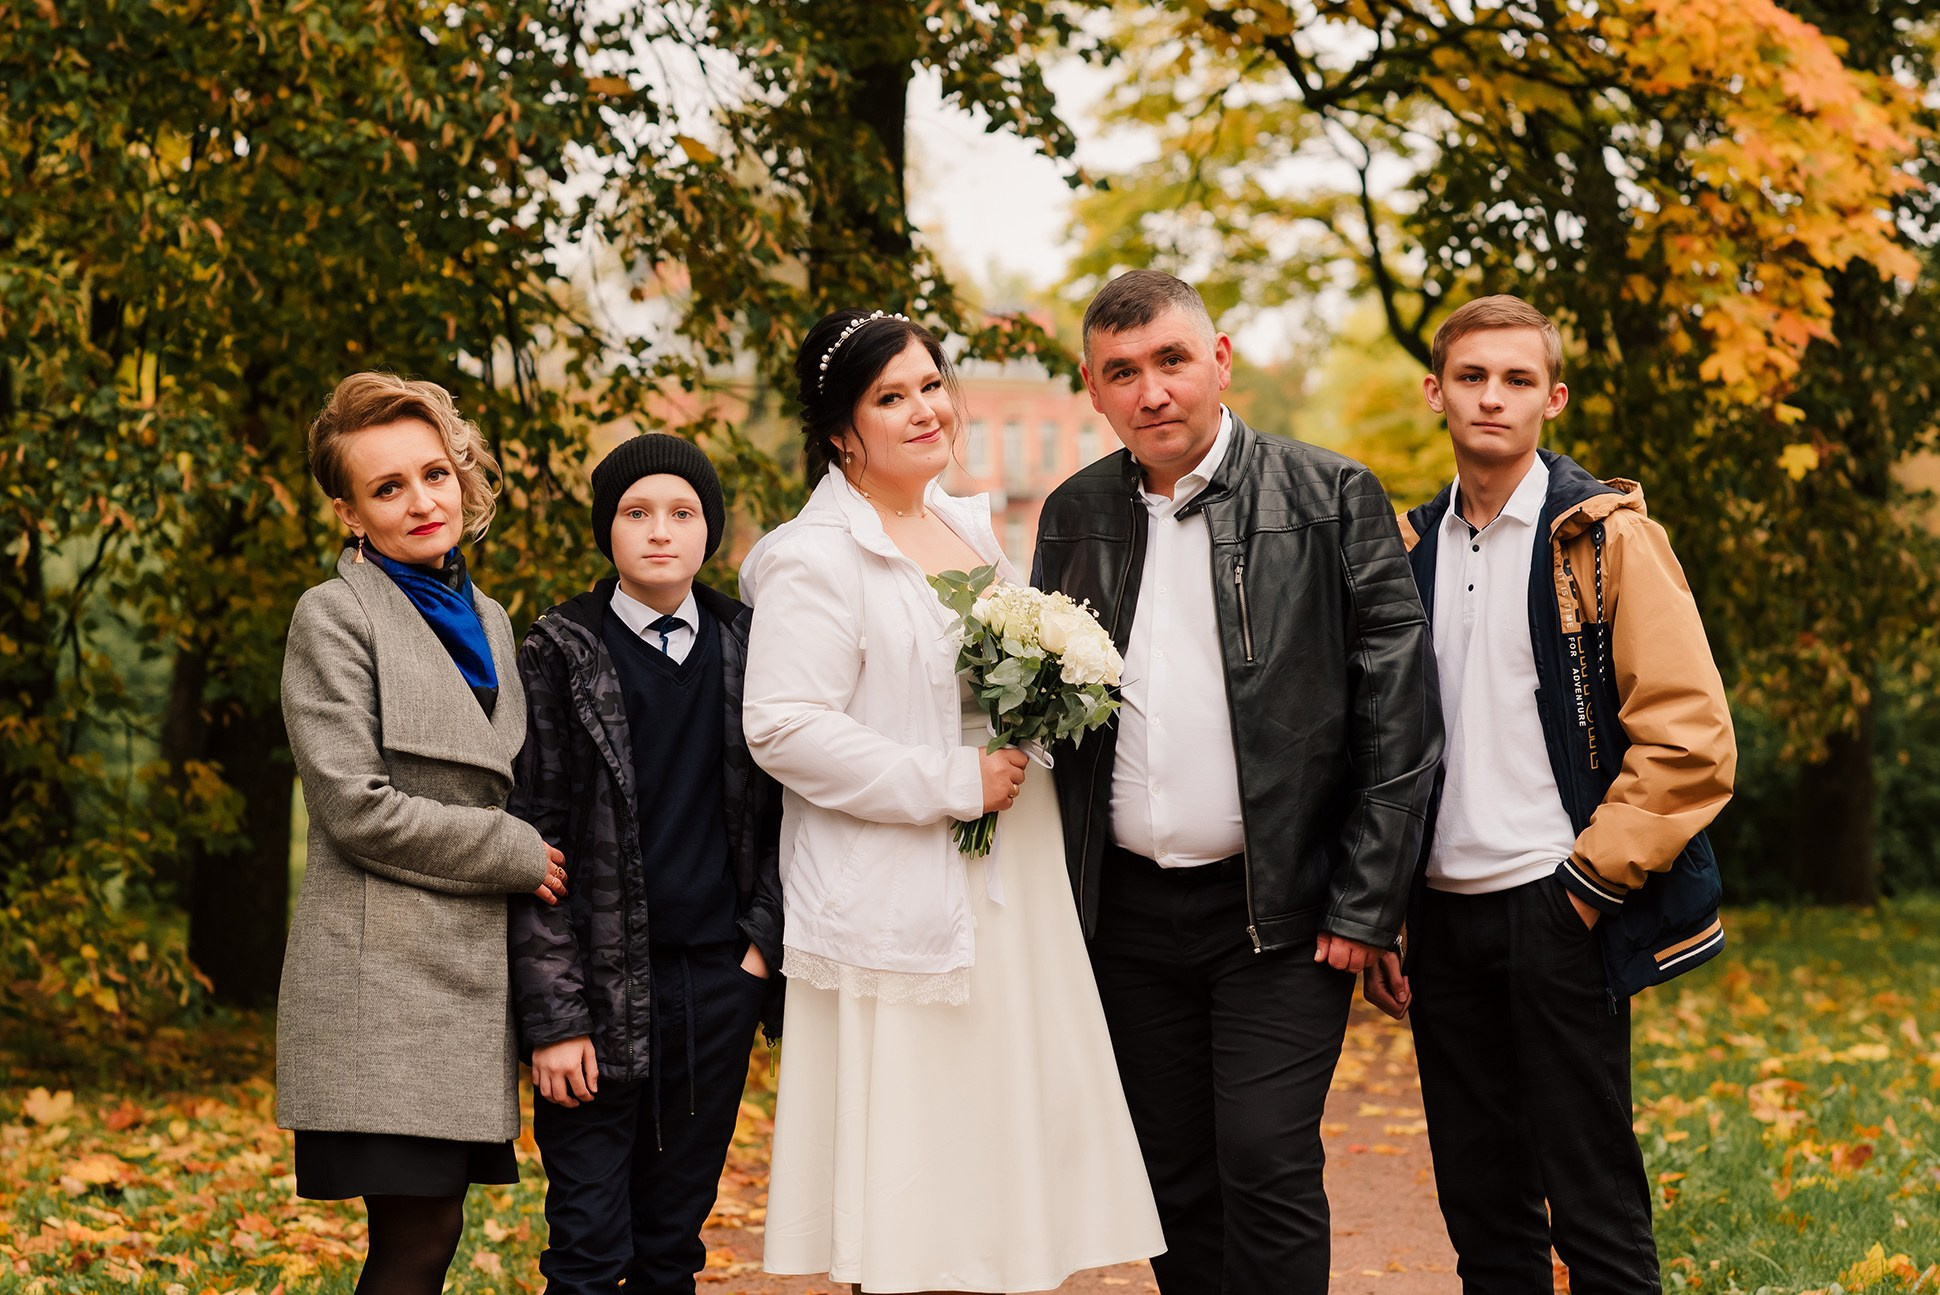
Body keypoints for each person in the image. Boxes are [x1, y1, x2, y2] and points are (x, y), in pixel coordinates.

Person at [1031, 270, 1442, 1294]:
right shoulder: (1073, 511)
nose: (1150, 391)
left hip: (1279, 909)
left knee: (1262, 1154)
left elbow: (1398, 719)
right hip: (1123, 914)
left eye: (1170, 360)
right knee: (1171, 1177)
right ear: (1092, 387)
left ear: (1218, 360)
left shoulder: (1330, 497)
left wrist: (1367, 901)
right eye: (1121, 372)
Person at [741, 308, 1164, 1293]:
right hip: (904, 894)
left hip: (1010, 881)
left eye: (930, 384)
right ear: (842, 429)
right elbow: (783, 724)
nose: (923, 407)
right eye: (890, 396)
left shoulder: (965, 525)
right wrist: (947, 782)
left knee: (996, 1175)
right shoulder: (814, 555)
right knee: (919, 1183)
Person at [1365, 294, 1735, 1293]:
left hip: (1556, 904)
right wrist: (1387, 911)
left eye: (1516, 379)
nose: (1492, 396)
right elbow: (1382, 747)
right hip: (1439, 921)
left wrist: (1583, 884)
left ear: (1550, 397)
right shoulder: (1401, 549)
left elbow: (1687, 735)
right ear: (1435, 390)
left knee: (1595, 1209)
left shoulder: (1603, 538)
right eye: (1473, 376)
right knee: (1484, 1222)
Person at [277, 372, 569, 1295]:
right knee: (417, 1236)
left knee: (430, 1233)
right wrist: (516, 853)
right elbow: (354, 806)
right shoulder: (333, 615)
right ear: (349, 513)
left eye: (433, 474)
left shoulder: (487, 617)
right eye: (388, 487)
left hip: (464, 988)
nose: (420, 501)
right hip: (378, 986)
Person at [506, 433, 784, 1295]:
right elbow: (528, 838)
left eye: (682, 512)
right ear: (607, 529)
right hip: (596, 993)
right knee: (589, 1248)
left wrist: (758, 953)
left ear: (711, 531)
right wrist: (553, 1019)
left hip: (714, 985)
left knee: (672, 1246)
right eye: (636, 513)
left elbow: (791, 814)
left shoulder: (752, 645)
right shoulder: (556, 653)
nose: (659, 531)